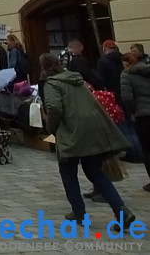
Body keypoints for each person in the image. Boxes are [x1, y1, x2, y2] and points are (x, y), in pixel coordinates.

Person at [40, 53, 136, 228]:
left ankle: (79, 212)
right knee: (95, 171)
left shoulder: (52, 84)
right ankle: (122, 211)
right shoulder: (76, 79)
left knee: (68, 171)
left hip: (72, 131)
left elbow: (54, 107)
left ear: (44, 68)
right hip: (92, 129)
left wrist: (51, 127)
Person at [120, 52, 150, 191]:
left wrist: (132, 110)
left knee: (147, 148)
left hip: (143, 115)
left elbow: (127, 97)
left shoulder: (126, 75)